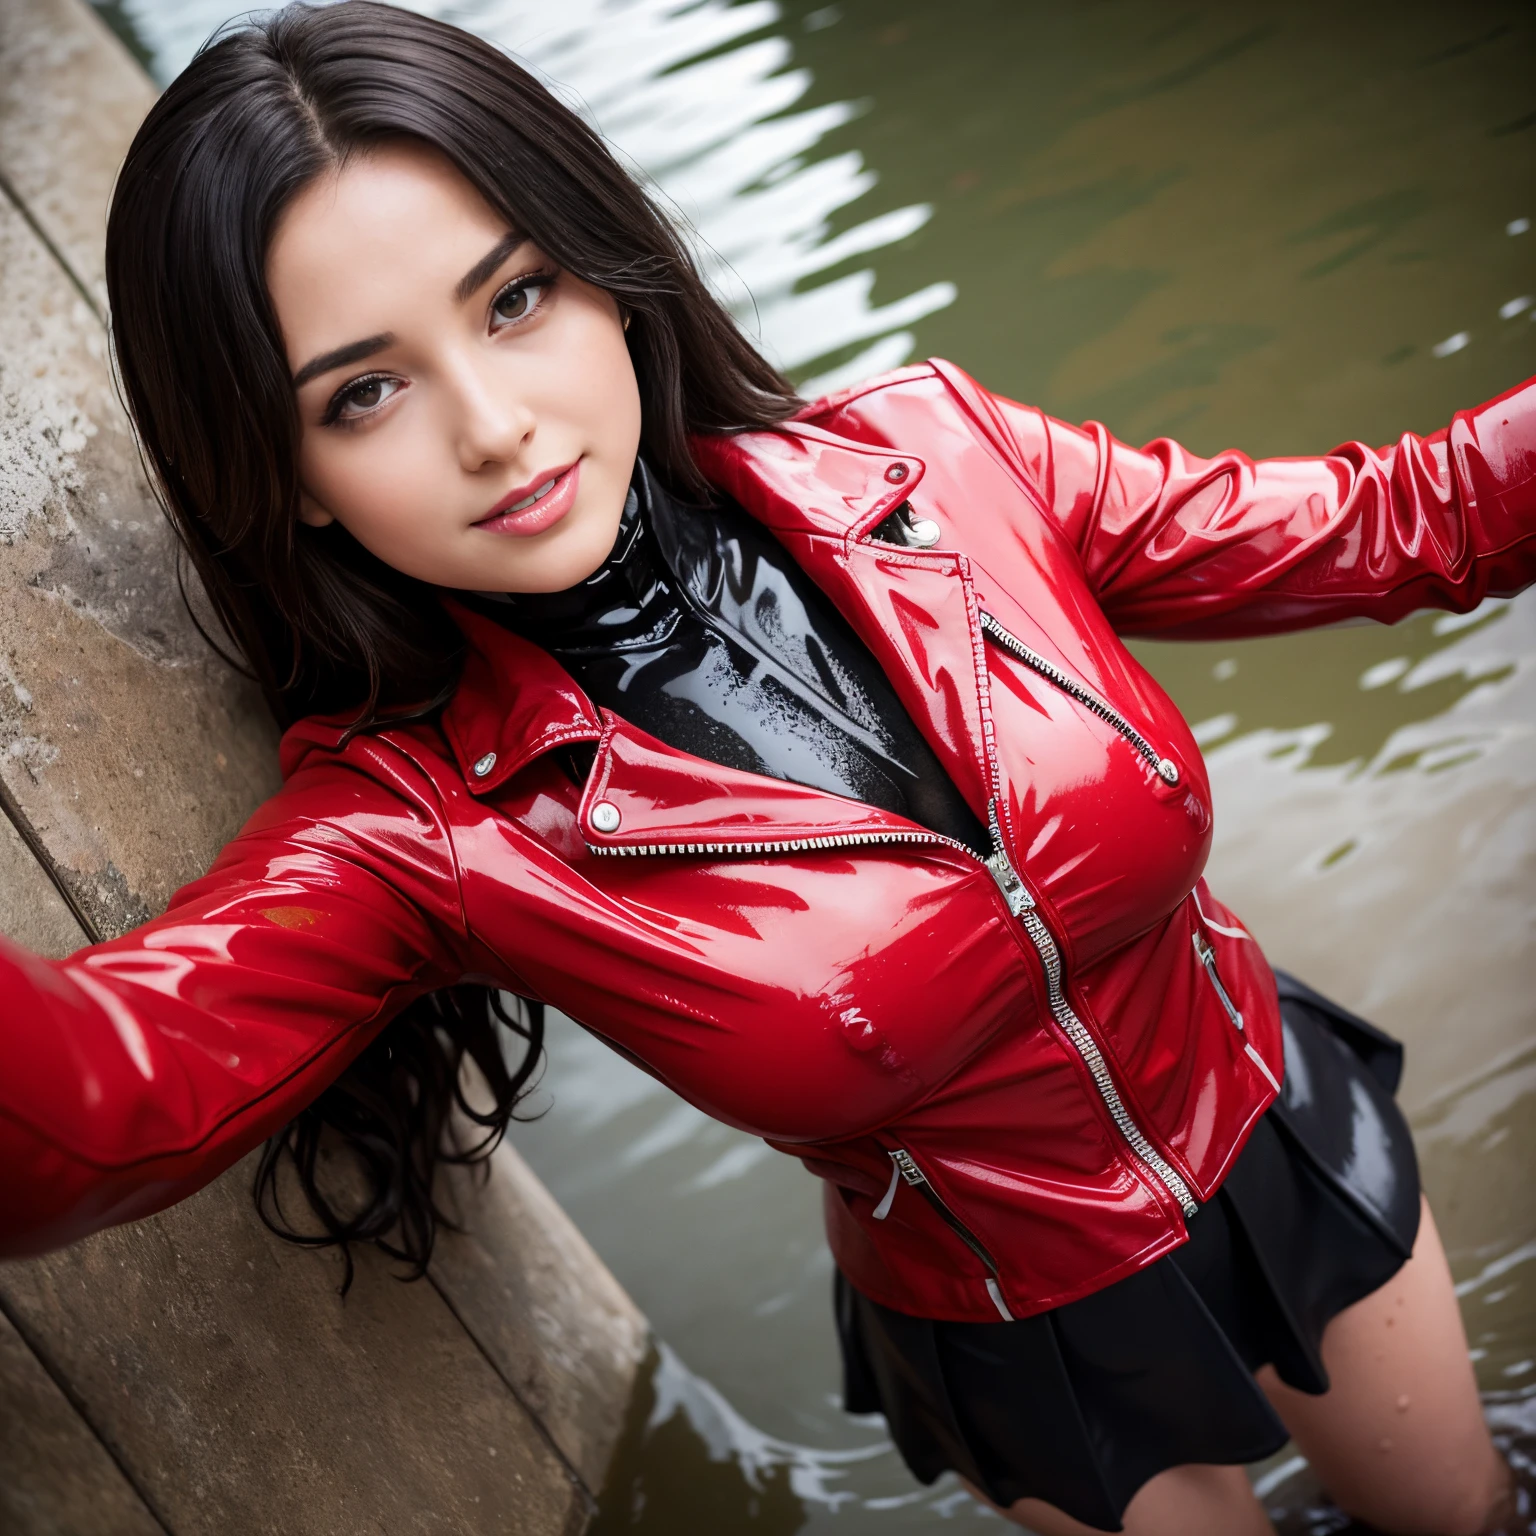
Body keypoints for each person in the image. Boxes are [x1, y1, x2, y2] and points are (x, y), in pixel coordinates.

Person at [0, 4, 1528, 1531]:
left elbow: (1408, 518)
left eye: (516, 296)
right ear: (289, 482)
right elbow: (102, 1099)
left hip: (1270, 1119)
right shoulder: (421, 829)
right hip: (1018, 1320)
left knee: (1467, 1521)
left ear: (607, 272)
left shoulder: (945, 459)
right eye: (365, 393)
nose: (495, 425)